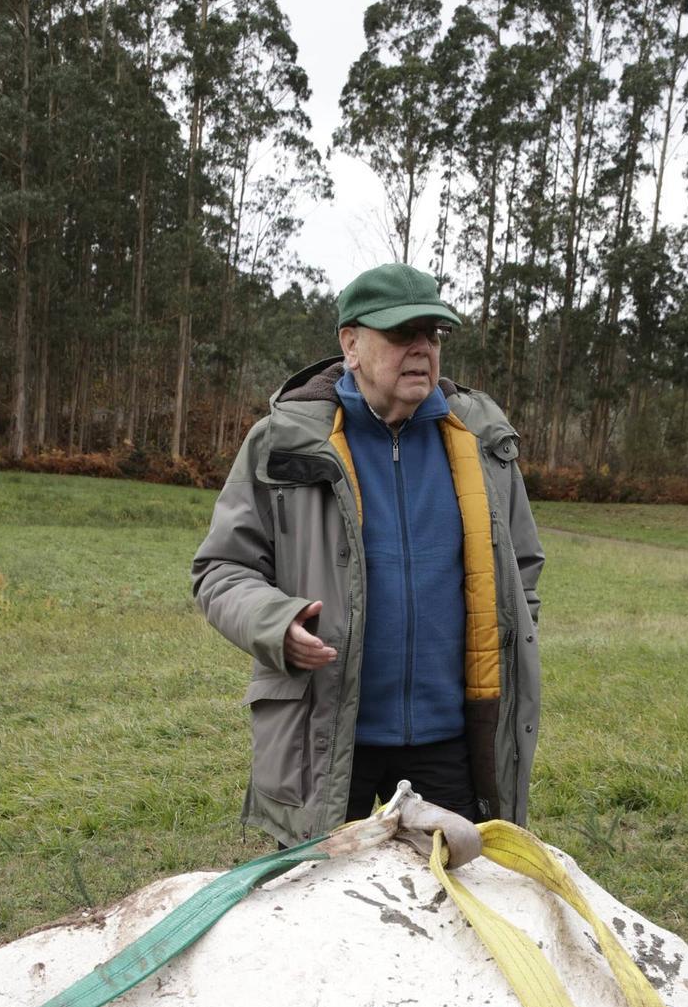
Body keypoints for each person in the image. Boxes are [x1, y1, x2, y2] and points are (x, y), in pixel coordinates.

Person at [192, 262, 544, 846]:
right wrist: (274, 624)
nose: (421, 350)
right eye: (401, 334)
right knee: (320, 913)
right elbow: (220, 569)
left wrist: (514, 634)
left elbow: (522, 568)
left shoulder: (483, 443)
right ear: (350, 344)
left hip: (454, 741)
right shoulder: (285, 443)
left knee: (453, 913)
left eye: (432, 335)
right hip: (329, 735)